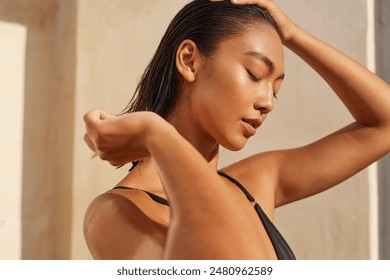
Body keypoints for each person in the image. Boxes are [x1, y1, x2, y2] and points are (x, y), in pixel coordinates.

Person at [82, 0, 390, 260]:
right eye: (255, 74)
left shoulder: (256, 184)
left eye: (276, 89)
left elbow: (383, 124)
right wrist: (155, 134)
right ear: (189, 61)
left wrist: (292, 34)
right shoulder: (114, 213)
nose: (268, 102)